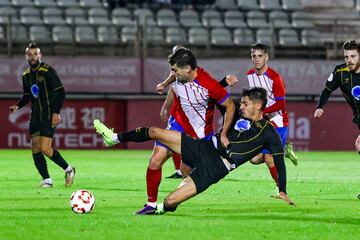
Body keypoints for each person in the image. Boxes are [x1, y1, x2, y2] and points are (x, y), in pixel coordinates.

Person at [93, 87, 295, 214]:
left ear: (258, 106)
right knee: (155, 131)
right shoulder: (234, 112)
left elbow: (279, 161)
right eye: (241, 102)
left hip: (216, 167)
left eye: (245, 103)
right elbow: (214, 93)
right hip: (204, 147)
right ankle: (114, 138)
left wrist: (283, 189)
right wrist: (223, 82)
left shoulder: (269, 133)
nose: (241, 105)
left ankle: (161, 208)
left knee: (170, 201)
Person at [125, 47, 236, 214]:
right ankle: (151, 205)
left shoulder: (208, 84)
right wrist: (165, 84)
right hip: (178, 122)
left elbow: (230, 106)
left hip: (198, 134)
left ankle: (174, 199)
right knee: (155, 160)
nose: (173, 74)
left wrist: (225, 134)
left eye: (175, 70)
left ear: (188, 68)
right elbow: (174, 79)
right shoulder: (180, 74)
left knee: (185, 171)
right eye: (172, 70)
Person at [9, 42, 76, 188]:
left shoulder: (48, 71)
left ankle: (69, 170)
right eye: (30, 54)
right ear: (27, 56)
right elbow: (27, 96)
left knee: (45, 148)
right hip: (35, 116)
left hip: (48, 114)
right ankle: (47, 180)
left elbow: (61, 92)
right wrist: (18, 105)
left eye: (35, 54)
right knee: (35, 147)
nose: (33, 57)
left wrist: (56, 112)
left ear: (40, 55)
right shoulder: (26, 75)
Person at [245, 43, 297, 191]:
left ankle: (281, 188)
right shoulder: (250, 75)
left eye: (260, 56)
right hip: (263, 121)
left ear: (267, 57)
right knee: (254, 159)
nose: (256, 59)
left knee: (269, 158)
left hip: (277, 121)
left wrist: (262, 111)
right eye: (254, 56)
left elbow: (281, 105)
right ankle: (285, 149)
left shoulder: (275, 77)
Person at [313, 40, 360, 199]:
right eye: (347, 56)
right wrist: (320, 106)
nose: (349, 60)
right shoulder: (340, 71)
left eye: (353, 56)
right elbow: (327, 90)